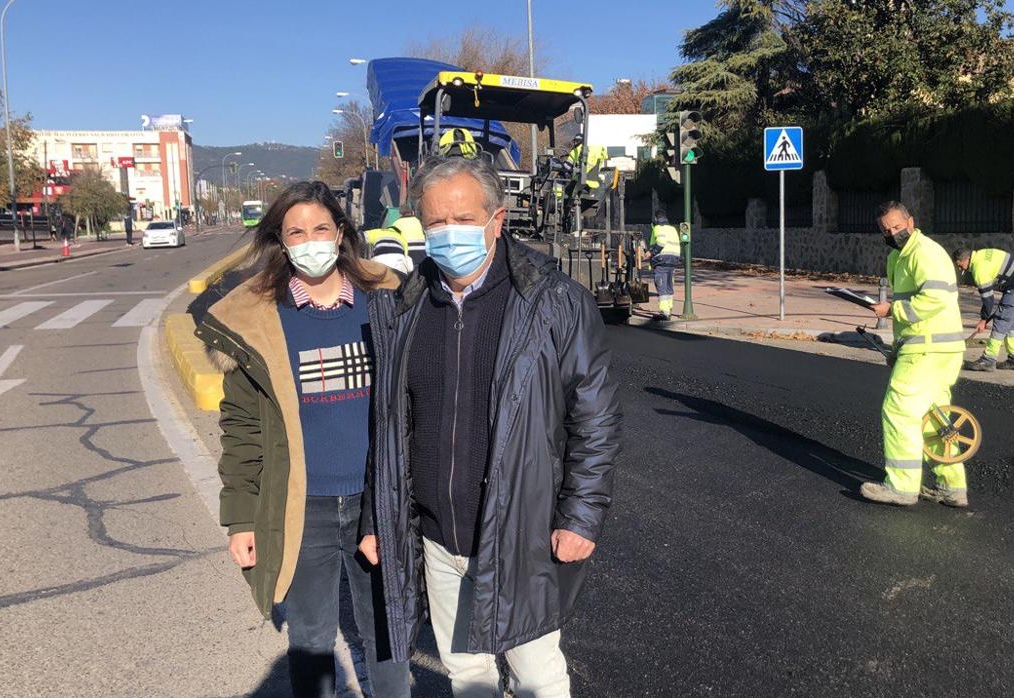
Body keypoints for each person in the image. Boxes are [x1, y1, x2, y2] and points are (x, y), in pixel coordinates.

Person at [360, 156, 622, 697]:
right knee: (467, 673)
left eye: (462, 218)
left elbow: (595, 417)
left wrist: (582, 517)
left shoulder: (551, 302)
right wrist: (376, 517)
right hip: (437, 537)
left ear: (496, 221)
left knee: (535, 675)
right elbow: (389, 427)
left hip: (519, 532)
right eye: (435, 223)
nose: (448, 233)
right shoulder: (407, 309)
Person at [195, 181, 411, 697]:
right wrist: (241, 519)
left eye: (320, 228)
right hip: (301, 507)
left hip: (375, 502)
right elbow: (243, 429)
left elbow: (412, 407)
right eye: (296, 231)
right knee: (311, 640)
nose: (310, 240)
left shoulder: (384, 300)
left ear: (341, 233)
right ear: (281, 241)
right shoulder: (259, 320)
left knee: (386, 636)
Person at [862, 201, 969, 508]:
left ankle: (901, 486)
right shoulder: (899, 256)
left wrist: (891, 310)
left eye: (897, 226)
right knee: (936, 420)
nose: (893, 233)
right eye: (886, 230)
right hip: (932, 348)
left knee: (898, 411)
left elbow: (936, 297)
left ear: (911, 221)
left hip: (928, 348)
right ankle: (952, 487)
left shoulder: (926, 252)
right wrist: (896, 349)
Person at [954, 247, 1014, 372]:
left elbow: (988, 299)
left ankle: (988, 360)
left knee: (1002, 320)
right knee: (1011, 323)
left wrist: (983, 320)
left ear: (967, 259)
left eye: (961, 265)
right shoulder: (980, 255)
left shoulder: (979, 269)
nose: (961, 269)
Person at [646, 211, 681, 320]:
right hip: (673, 260)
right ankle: (669, 309)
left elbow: (661, 242)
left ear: (656, 219)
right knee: (669, 286)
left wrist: (650, 253)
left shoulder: (658, 228)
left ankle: (664, 313)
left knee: (661, 286)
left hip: (662, 260)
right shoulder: (672, 229)